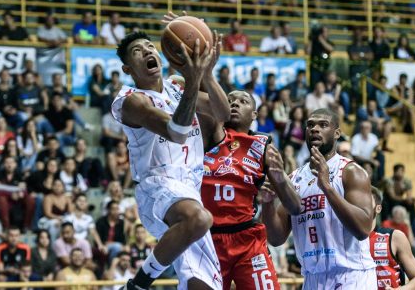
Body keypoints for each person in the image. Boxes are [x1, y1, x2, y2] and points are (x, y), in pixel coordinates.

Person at [112, 23, 229, 289]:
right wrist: (193, 82)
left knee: (203, 285)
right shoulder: (131, 100)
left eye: (149, 47)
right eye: (137, 51)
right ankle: (138, 285)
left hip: (190, 190)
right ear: (128, 69)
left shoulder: (176, 86)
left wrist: (207, 76)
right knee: (198, 219)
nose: (146, 51)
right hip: (157, 187)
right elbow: (176, 131)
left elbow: (223, 114)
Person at [262, 108, 377, 288]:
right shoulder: (294, 179)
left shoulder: (351, 172)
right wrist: (267, 202)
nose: (315, 129)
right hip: (313, 278)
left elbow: (363, 229)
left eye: (323, 125)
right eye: (310, 125)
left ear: (337, 133)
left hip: (351, 275)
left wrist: (327, 187)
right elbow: (276, 239)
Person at [200, 90, 301, 290]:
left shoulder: (262, 146)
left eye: (243, 101)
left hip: (246, 239)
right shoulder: (207, 133)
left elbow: (295, 206)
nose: (235, 104)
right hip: (207, 240)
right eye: (230, 101)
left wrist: (279, 175)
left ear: (254, 114)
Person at [370, 187, 415, 290]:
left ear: (378, 208)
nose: (360, 204)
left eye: (366, 201)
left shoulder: (394, 237)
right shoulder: (343, 238)